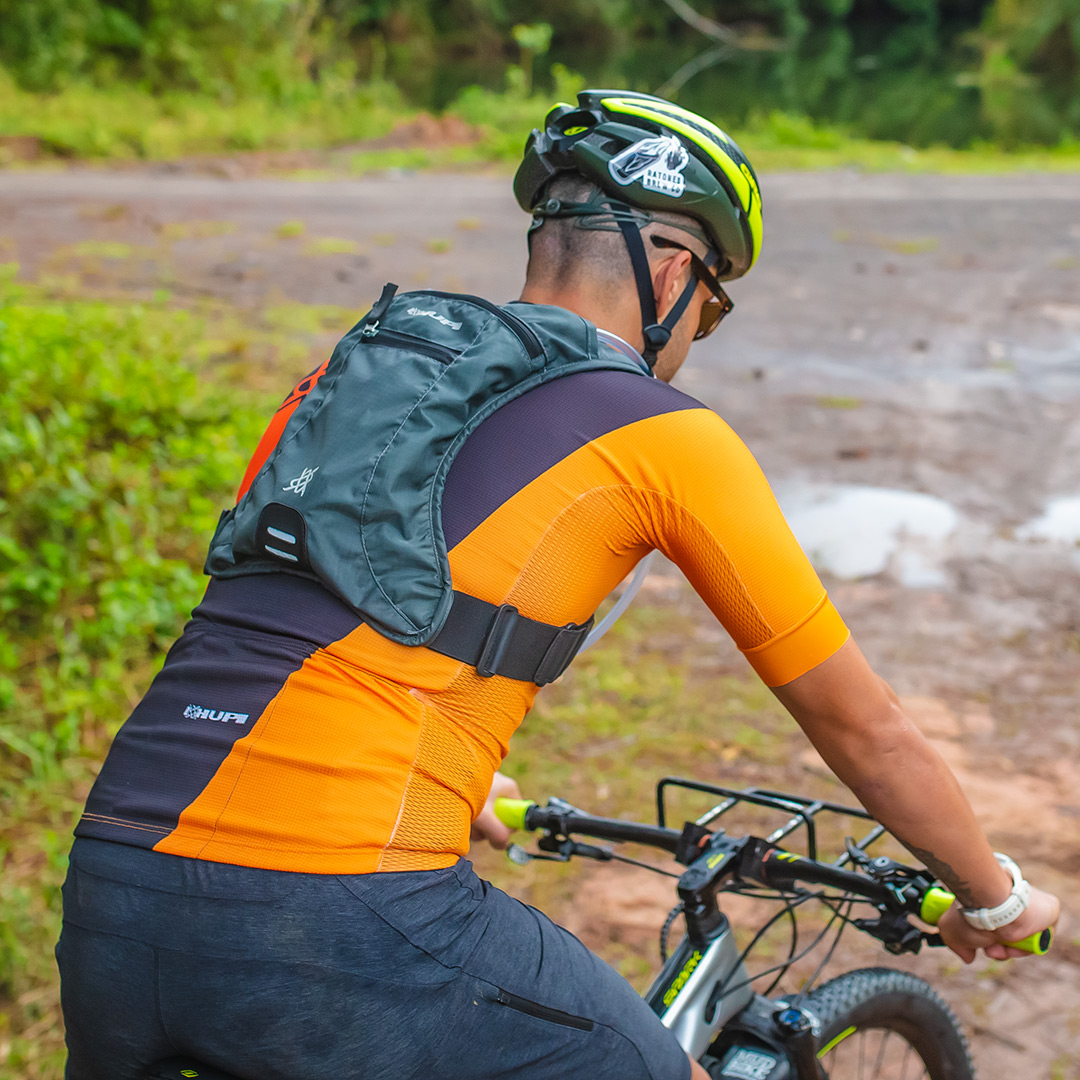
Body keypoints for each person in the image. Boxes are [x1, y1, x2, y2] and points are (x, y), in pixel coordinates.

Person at [57, 90, 1059, 1080]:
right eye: (709, 308)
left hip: (113, 882)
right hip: (334, 908)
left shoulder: (350, 373)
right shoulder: (662, 433)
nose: (698, 332)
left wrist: (456, 779)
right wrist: (994, 897)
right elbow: (864, 729)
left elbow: (289, 608)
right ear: (672, 270)